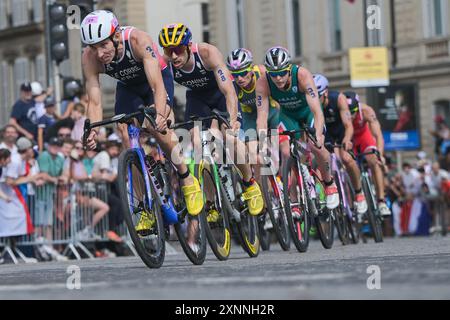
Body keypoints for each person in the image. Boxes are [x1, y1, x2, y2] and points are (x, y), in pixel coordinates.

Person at [80, 11, 203, 234]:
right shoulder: (89, 57)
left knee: (159, 128)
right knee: (126, 134)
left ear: (116, 35)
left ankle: (186, 177)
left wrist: (160, 114)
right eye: (93, 47)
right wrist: (93, 132)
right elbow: (95, 101)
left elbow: (157, 86)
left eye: (103, 45)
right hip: (128, 87)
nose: (99, 53)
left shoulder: (138, 41)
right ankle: (143, 205)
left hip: (155, 81)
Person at [158, 23, 264, 216]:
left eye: (178, 50)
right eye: (168, 50)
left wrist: (232, 120)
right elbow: (164, 95)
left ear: (189, 46)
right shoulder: (166, 63)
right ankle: (211, 201)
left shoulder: (207, 53)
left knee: (230, 138)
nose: (174, 56)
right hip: (196, 98)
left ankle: (250, 184)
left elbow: (229, 91)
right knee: (198, 145)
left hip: (220, 95)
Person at [256, 46, 339, 210]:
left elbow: (316, 110)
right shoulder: (263, 82)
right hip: (287, 115)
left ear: (289, 69)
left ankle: (329, 184)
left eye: (282, 73)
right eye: (274, 74)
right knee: (287, 154)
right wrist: (261, 141)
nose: (278, 78)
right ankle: (294, 201)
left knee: (316, 145)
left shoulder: (302, 75)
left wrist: (319, 133)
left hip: (308, 112)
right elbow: (262, 116)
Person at [313, 74, 368, 215]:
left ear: (325, 93)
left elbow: (349, 125)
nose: (315, 100)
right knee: (320, 162)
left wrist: (347, 140)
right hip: (326, 133)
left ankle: (359, 193)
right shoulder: (312, 102)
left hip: (342, 130)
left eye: (318, 96)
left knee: (347, 158)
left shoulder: (338, 98)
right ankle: (323, 196)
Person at [344, 92, 391, 217]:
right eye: (348, 112)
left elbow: (378, 135)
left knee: (373, 160)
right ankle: (355, 201)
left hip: (364, 137)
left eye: (354, 111)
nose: (352, 115)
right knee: (347, 167)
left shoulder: (366, 111)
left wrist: (380, 154)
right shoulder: (340, 112)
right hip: (349, 139)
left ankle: (381, 202)